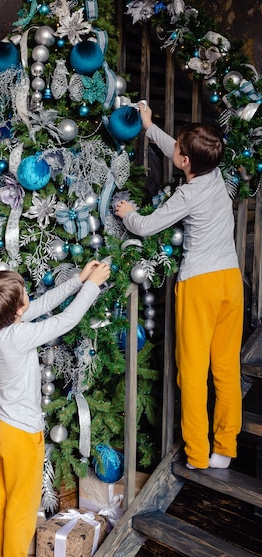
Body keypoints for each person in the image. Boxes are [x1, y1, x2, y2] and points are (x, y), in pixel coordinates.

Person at [115, 103, 243, 471]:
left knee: (192, 371)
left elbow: (145, 227)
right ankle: (225, 448)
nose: (175, 151)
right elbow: (179, 146)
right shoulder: (214, 174)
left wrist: (128, 214)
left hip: (200, 284)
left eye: (179, 151)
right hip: (230, 282)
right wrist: (150, 127)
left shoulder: (187, 196)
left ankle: (198, 455)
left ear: (185, 162)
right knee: (225, 369)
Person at [0, 260, 111, 557]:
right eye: (24, 297)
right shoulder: (19, 336)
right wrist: (93, 286)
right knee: (22, 505)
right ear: (17, 312)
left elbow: (38, 306)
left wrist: (77, 280)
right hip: (20, 434)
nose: (29, 301)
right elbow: (66, 319)